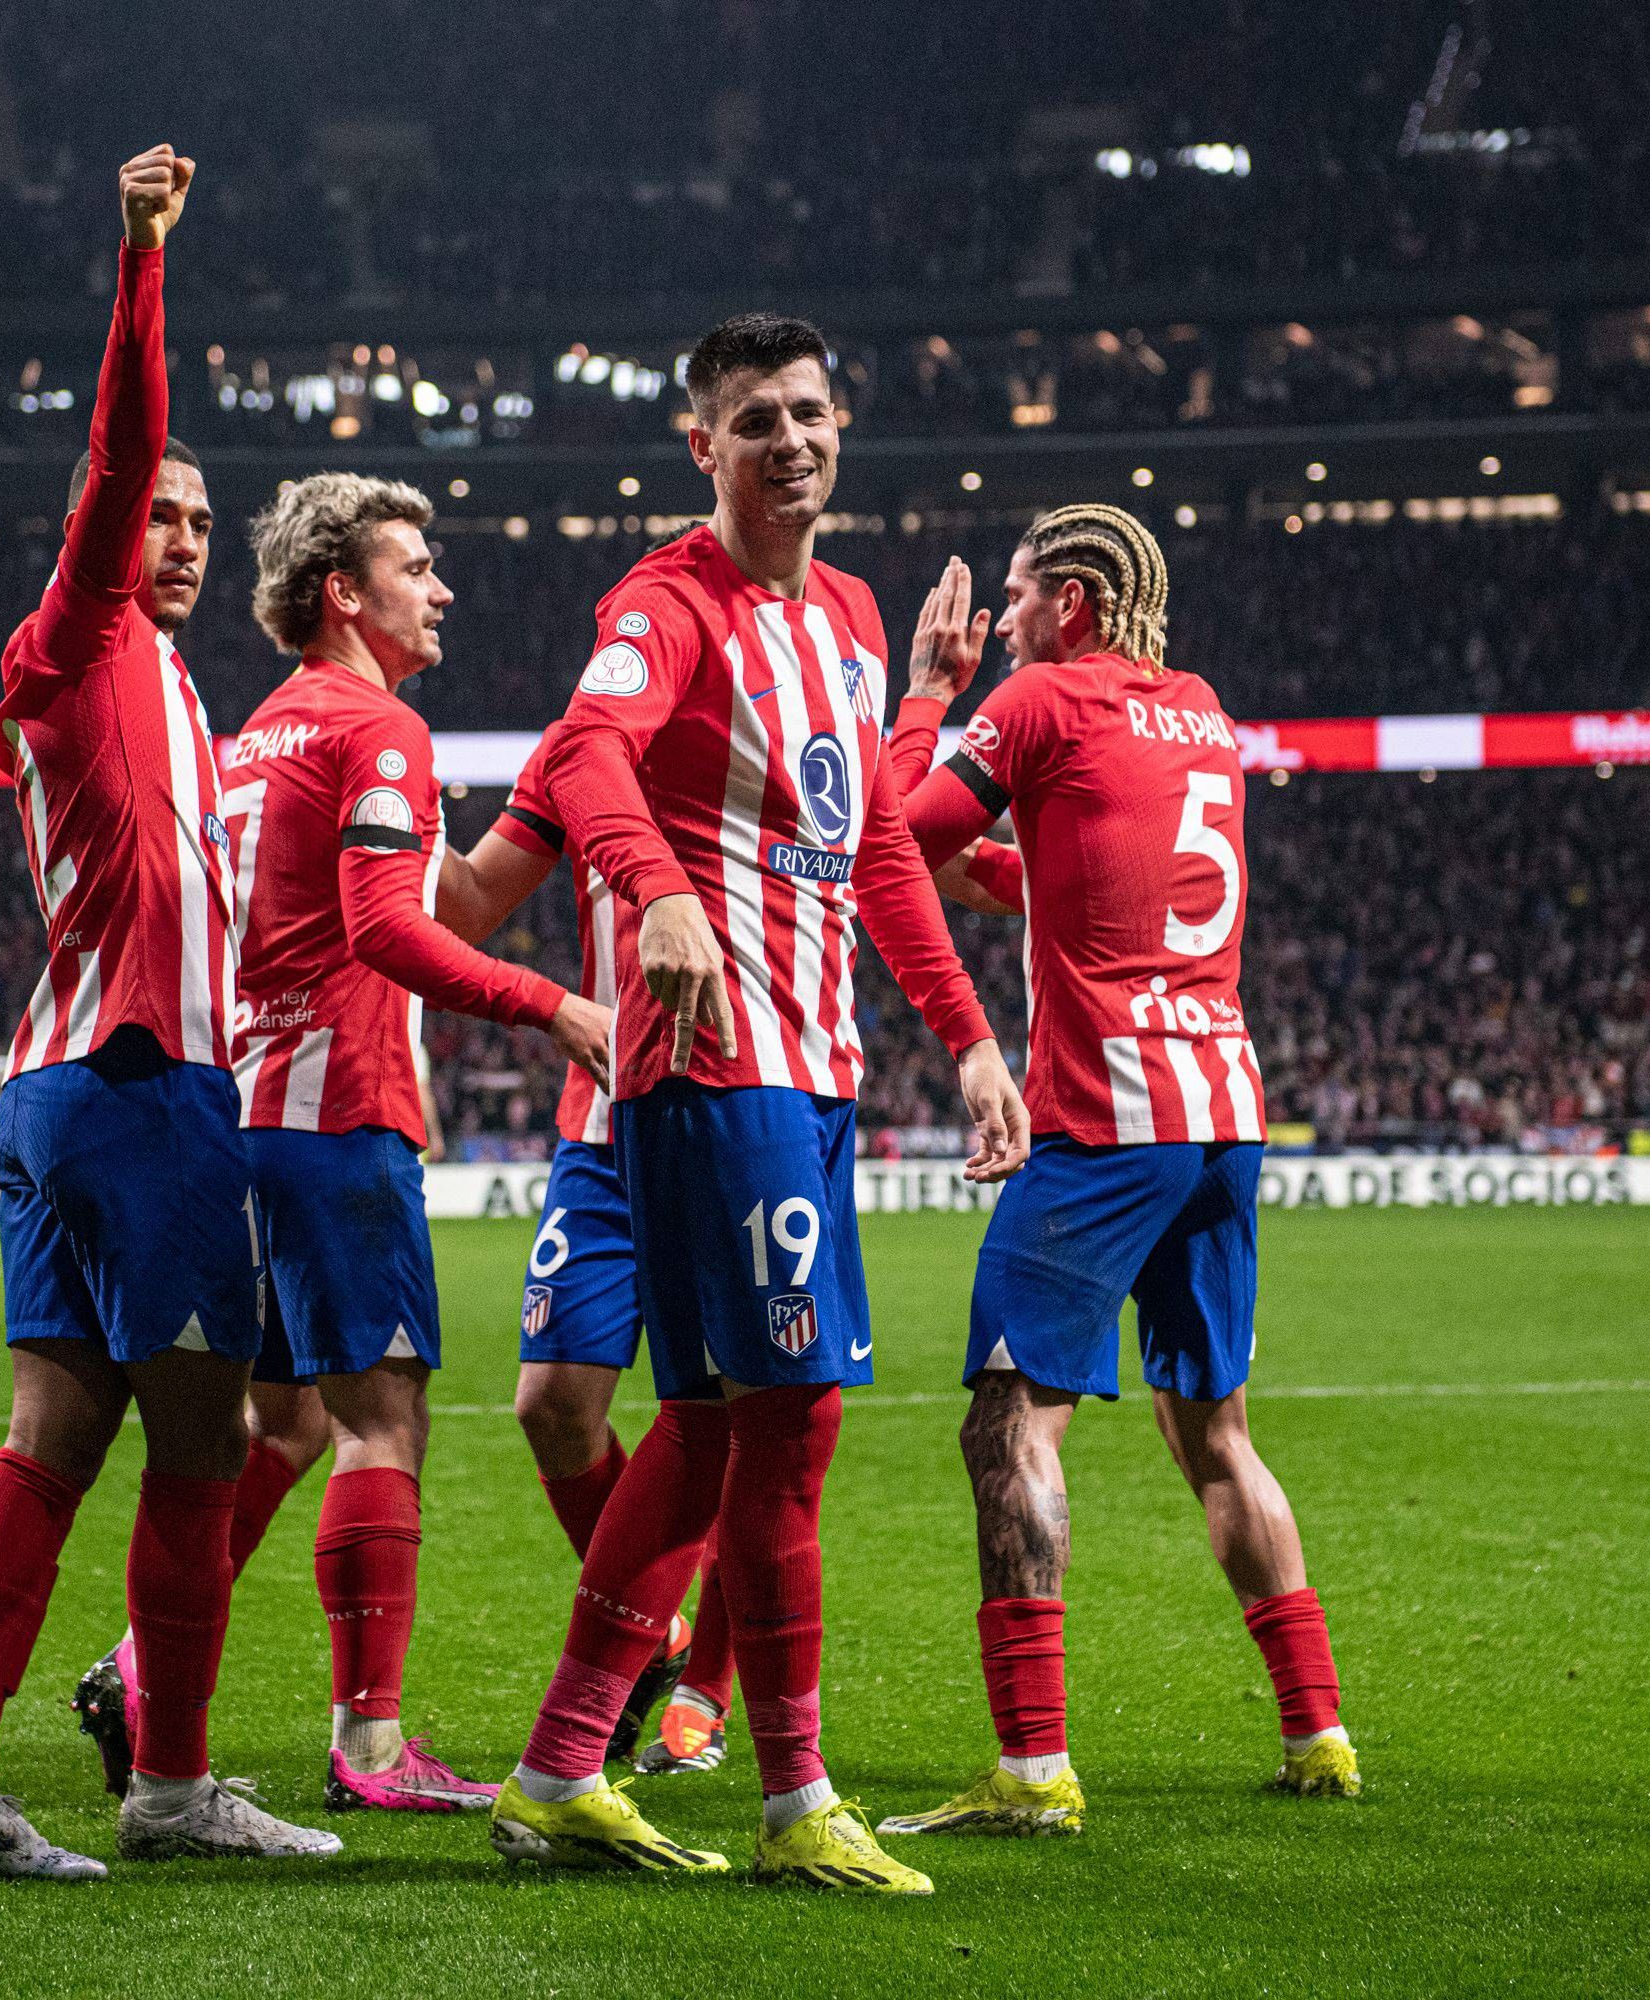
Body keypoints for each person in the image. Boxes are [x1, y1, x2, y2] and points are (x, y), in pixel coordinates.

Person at [485, 311, 1029, 1895]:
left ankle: (560, 1769)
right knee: (788, 1425)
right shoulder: (665, 600)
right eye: (753, 421)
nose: (787, 441)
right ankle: (795, 1798)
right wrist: (654, 890)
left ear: (842, 426)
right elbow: (590, 750)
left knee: (722, 1428)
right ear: (700, 445)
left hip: (817, 1069)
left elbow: (870, 855)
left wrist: (970, 1036)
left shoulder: (854, 619)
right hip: (717, 1067)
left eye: (808, 413)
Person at [0, 144, 339, 1883]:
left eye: (201, 528)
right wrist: (141, 263)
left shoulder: (179, 690)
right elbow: (123, 449)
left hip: (75, 1087)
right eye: (161, 516)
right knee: (211, 1443)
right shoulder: (75, 640)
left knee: (57, 1435)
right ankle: (170, 1785)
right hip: (140, 1093)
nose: (181, 537)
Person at [100, 470, 616, 1815]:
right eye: (415, 566)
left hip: (242, 1118)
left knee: (283, 1419)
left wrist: (548, 802)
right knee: (383, 1419)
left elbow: (441, 898)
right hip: (340, 1118)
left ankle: (141, 1669)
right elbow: (394, 933)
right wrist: (558, 1008)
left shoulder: (256, 736)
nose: (440, 587)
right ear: (345, 591)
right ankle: (372, 1745)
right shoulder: (380, 729)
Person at [865, 510, 1356, 1843]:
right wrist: (1007, 876)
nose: (1007, 619)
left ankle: (1031, 1775)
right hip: (1222, 1110)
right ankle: (1319, 1737)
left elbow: (893, 837)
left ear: (1072, 602)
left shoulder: (1039, 698)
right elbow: (1103, 875)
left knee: (1007, 1425)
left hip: (1103, 1119)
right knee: (1216, 1433)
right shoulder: (1198, 712)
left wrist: (926, 695)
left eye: (1021, 596)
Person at [440, 735, 736, 1776]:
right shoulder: (583, 751)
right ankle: (662, 1628)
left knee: (750, 1411)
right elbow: (467, 901)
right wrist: (395, 795)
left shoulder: (764, 713)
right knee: (554, 1400)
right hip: (605, 1120)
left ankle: (704, 1691)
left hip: (741, 1111)